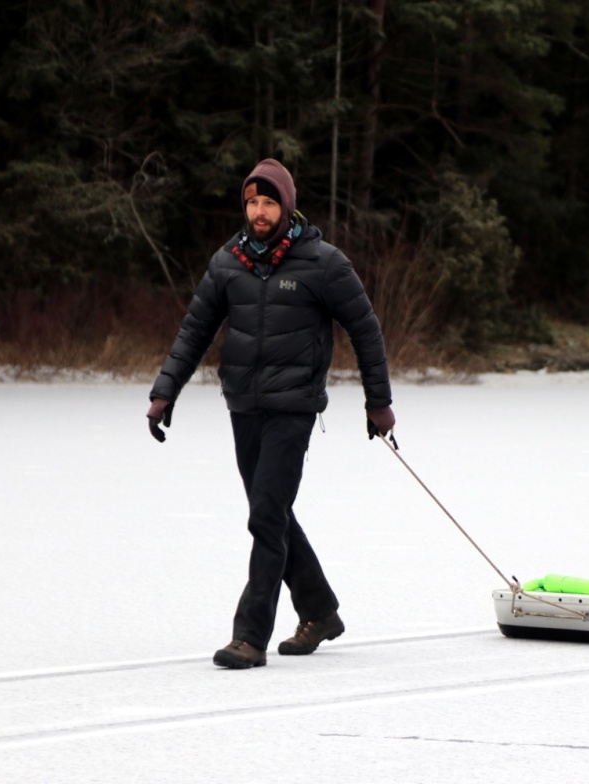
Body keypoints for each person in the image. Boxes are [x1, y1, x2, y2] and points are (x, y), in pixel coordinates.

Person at [146, 158, 395, 670]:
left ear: (287, 205)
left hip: (294, 409)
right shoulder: (228, 262)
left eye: (268, 202)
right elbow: (195, 331)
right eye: (252, 202)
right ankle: (321, 611)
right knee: (273, 513)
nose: (259, 212)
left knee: (265, 515)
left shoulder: (322, 262)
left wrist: (378, 402)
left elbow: (365, 329)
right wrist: (165, 391)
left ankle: (249, 636)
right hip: (243, 405)